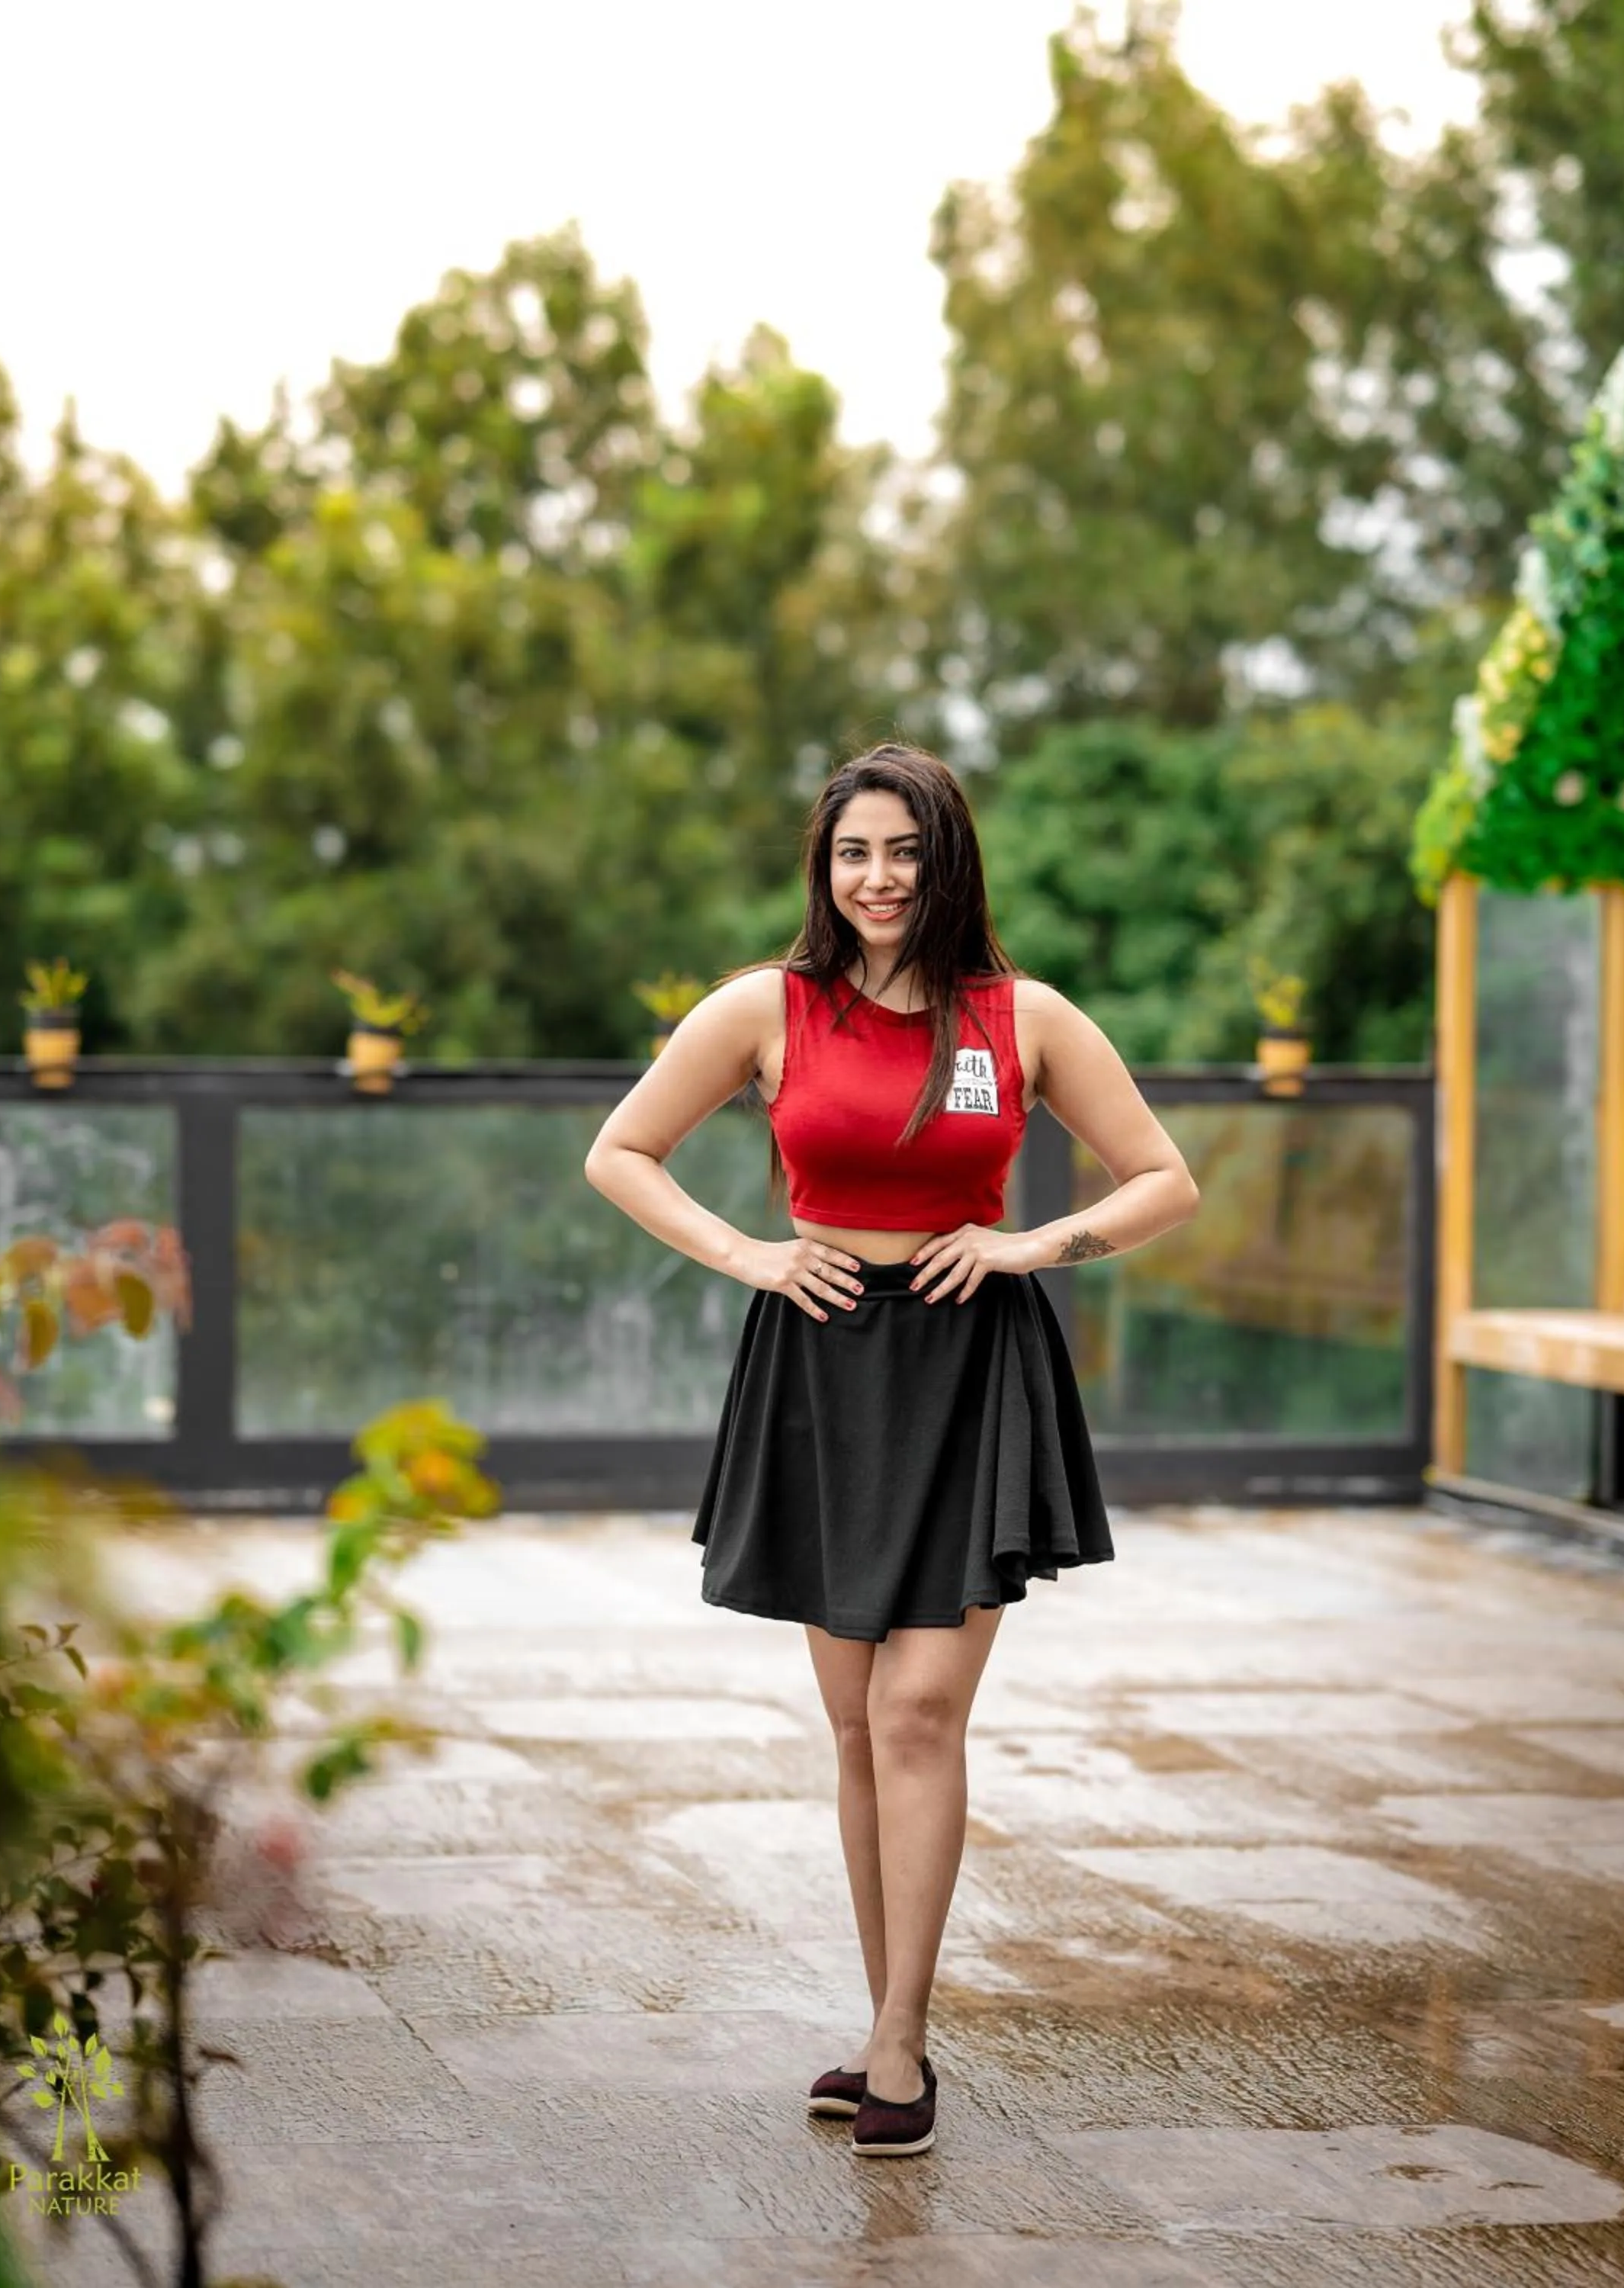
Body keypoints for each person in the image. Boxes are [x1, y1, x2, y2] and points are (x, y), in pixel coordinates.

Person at [583, 741, 1199, 2158]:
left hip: (973, 1362)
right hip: (820, 1358)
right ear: (826, 866)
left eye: (905, 852)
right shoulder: (767, 1006)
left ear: (948, 862)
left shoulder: (1023, 1018)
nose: (878, 879)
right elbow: (621, 1150)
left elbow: (1166, 1179)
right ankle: (882, 2027)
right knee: (860, 1724)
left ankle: (905, 2046)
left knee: (921, 1712)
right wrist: (749, 1254)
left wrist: (1032, 1245)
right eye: (854, 852)